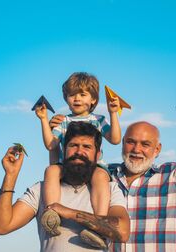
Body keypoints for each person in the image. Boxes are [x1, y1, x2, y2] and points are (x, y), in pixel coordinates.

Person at [50, 95, 176, 251]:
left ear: (157, 149)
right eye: (130, 142)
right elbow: (69, 165)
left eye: (145, 144)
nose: (136, 149)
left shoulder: (172, 176)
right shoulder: (102, 176)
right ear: (123, 143)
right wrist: (61, 128)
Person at [0, 122, 130, 251]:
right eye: (73, 145)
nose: (79, 151)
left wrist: (69, 213)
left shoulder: (110, 189)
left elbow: (123, 232)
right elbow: (1, 226)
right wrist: (11, 175)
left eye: (87, 147)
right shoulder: (42, 190)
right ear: (64, 151)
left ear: (97, 155)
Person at [34, 72, 121, 229]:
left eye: (82, 94)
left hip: (94, 166)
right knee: (51, 170)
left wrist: (113, 113)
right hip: (69, 166)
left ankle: (99, 222)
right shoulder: (64, 121)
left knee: (101, 176)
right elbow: (50, 144)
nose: (77, 99)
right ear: (66, 98)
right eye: (72, 94)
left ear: (93, 99)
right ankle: (52, 213)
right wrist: (43, 120)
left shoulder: (99, 120)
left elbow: (114, 139)